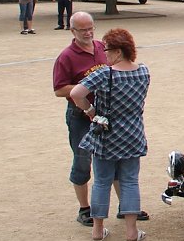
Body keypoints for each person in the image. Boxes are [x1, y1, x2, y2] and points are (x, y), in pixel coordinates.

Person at [53, 12, 149, 226]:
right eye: (83, 30)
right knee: (82, 161)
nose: (88, 33)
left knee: (114, 161)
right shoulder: (66, 56)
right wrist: (90, 89)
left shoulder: (101, 47)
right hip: (81, 116)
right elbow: (60, 89)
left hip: (107, 116)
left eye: (91, 28)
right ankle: (84, 208)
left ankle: (125, 207)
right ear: (73, 31)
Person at [71, 28, 150, 241]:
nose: (104, 54)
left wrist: (90, 111)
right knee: (130, 181)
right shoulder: (143, 71)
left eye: (106, 50)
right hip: (133, 133)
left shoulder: (105, 74)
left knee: (102, 182)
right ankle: (131, 231)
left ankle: (97, 229)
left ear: (117, 51)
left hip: (107, 134)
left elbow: (76, 93)